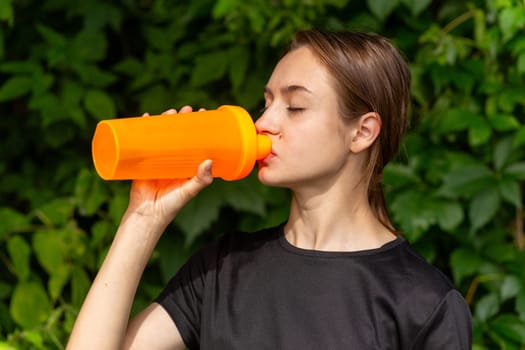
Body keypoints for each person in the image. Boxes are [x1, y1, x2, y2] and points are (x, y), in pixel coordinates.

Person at [67, 29, 472, 349]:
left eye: (294, 107)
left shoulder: (423, 302)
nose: (264, 122)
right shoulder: (222, 269)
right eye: (267, 102)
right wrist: (143, 216)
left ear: (362, 131)